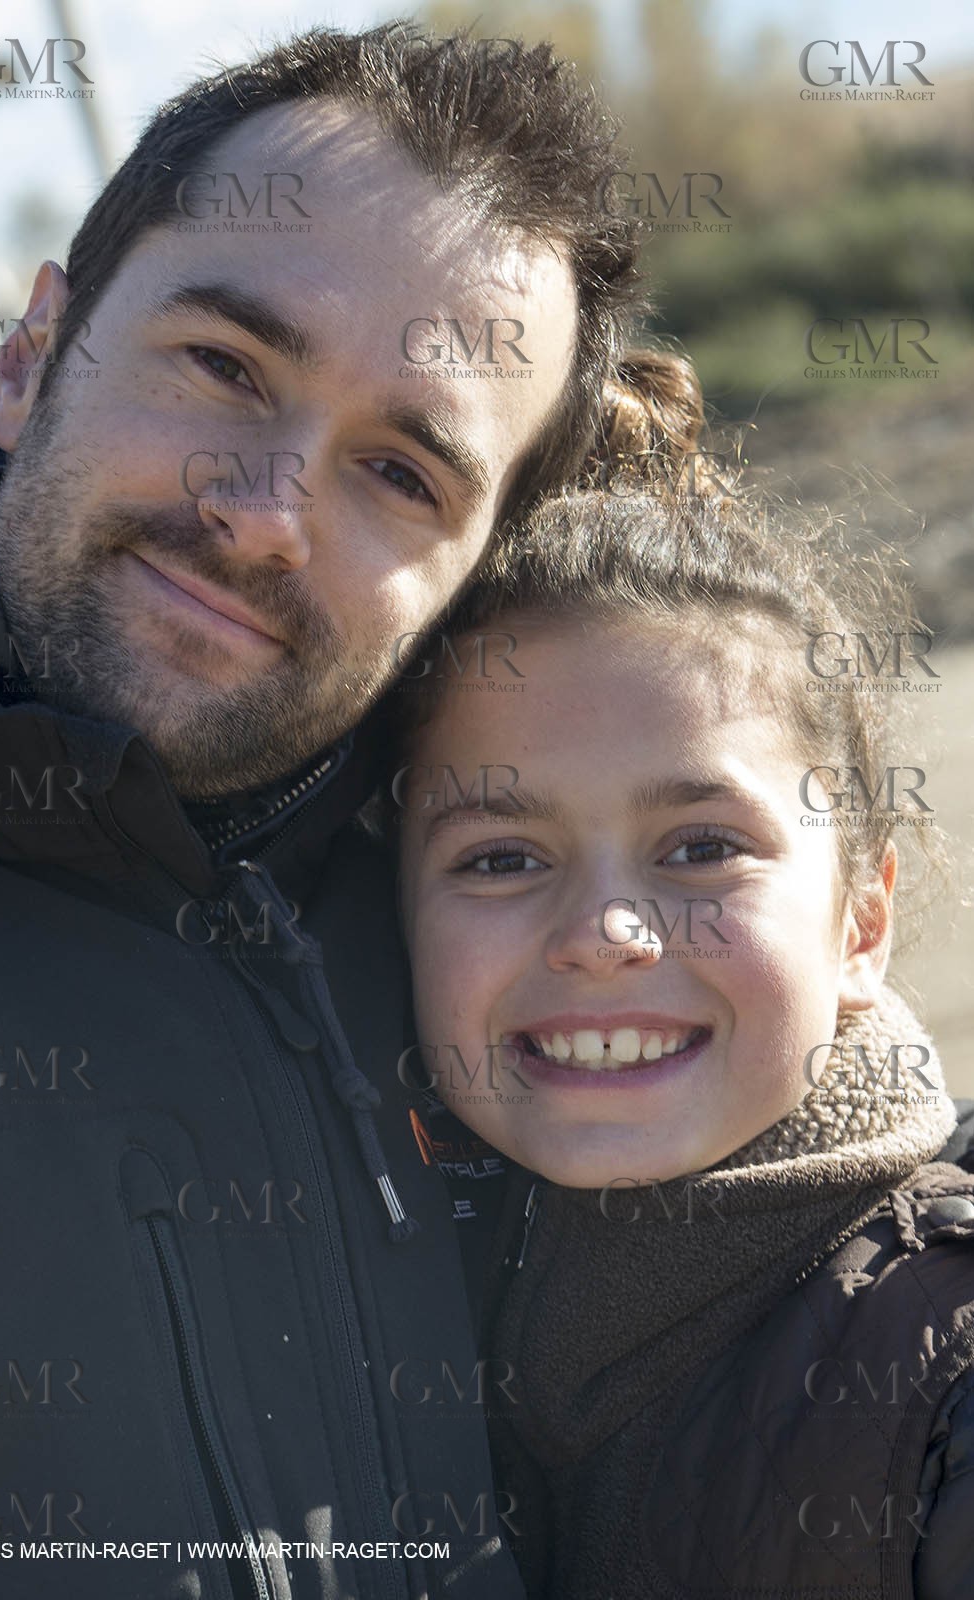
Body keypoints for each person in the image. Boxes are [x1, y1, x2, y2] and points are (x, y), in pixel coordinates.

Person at [0, 22, 684, 1599]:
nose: (260, 517)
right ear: (30, 351)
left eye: (400, 473)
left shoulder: (508, 907)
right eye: (223, 365)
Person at [394, 467, 974, 1598]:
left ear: (861, 919)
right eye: (500, 858)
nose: (604, 933)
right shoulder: (357, 1302)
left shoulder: (941, 1362)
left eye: (701, 847)